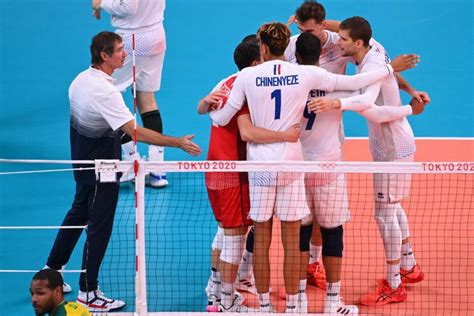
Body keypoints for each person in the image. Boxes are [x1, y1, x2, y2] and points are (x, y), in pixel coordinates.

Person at [209, 22, 417, 313]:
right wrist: (390, 67)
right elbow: (358, 85)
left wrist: (207, 103)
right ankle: (301, 305)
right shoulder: (309, 74)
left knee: (262, 235)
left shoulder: (248, 75)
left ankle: (266, 306)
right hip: (299, 166)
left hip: (261, 168)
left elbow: (220, 119)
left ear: (264, 48)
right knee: (297, 239)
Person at [44, 31, 201, 312]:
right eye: (118, 50)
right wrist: (176, 142)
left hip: (81, 163)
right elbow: (134, 131)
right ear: (104, 56)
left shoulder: (80, 80)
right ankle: (88, 292)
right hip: (102, 170)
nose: (124, 54)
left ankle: (52, 270)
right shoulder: (105, 91)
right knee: (98, 227)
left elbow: (111, 129)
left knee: (78, 213)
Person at [321, 16, 426, 306]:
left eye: (342, 39)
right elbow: (389, 74)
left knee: (383, 214)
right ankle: (409, 265)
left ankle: (394, 283)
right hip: (390, 144)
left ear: (357, 42)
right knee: (393, 206)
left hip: (392, 146)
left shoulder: (372, 66)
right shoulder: (374, 46)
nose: (337, 42)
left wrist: (409, 107)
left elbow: (375, 111)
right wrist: (410, 89)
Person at [198, 40, 300, 312]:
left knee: (224, 232)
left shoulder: (226, 81)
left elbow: (205, 108)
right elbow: (246, 132)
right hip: (234, 171)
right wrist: (287, 136)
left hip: (215, 168)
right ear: (255, 64)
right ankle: (228, 302)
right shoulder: (246, 90)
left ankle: (215, 289)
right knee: (235, 239)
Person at [92, 0, 170, 187]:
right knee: (147, 98)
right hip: (156, 35)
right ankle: (157, 168)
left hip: (132, 40)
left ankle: (132, 161)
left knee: (106, 97)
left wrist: (100, 3)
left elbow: (128, 7)